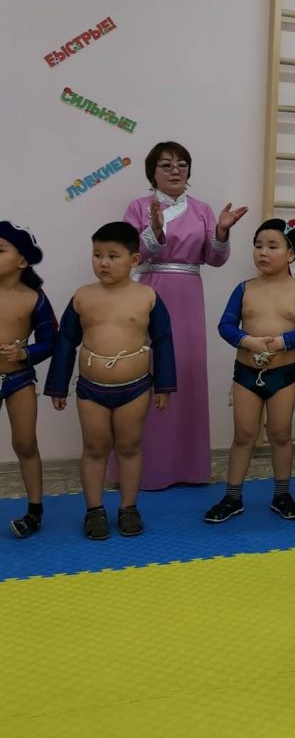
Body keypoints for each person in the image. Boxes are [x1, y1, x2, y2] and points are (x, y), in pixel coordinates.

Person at [120, 141, 247, 489]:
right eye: (166, 165)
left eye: (182, 164)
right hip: (150, 289)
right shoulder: (138, 207)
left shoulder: (202, 209)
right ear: (153, 172)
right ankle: (146, 468)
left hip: (189, 293)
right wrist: (155, 230)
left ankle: (189, 467)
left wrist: (221, 231)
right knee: (149, 368)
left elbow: (214, 258)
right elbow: (129, 253)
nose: (175, 170)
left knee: (186, 369)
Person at [45, 222, 176, 539]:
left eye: (113, 256)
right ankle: (94, 511)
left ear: (134, 260)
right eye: (97, 255)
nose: (103, 262)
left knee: (129, 447)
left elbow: (163, 341)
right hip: (91, 389)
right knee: (94, 448)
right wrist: (58, 385)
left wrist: (164, 386)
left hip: (135, 388)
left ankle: (128, 508)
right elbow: (66, 341)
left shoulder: (147, 296)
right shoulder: (83, 296)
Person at [205, 219, 295, 523]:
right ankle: (232, 497)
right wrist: (248, 341)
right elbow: (226, 325)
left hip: (283, 375)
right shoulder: (244, 289)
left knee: (280, 435)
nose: (263, 252)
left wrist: (283, 342)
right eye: (258, 246)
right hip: (246, 372)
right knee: (243, 435)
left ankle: (282, 495)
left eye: (272, 246)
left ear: (290, 254)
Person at [0, 222, 58, 538]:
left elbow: (50, 341)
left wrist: (24, 353)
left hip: (19, 379)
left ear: (22, 260)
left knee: (25, 443)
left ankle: (34, 511)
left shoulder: (34, 298)